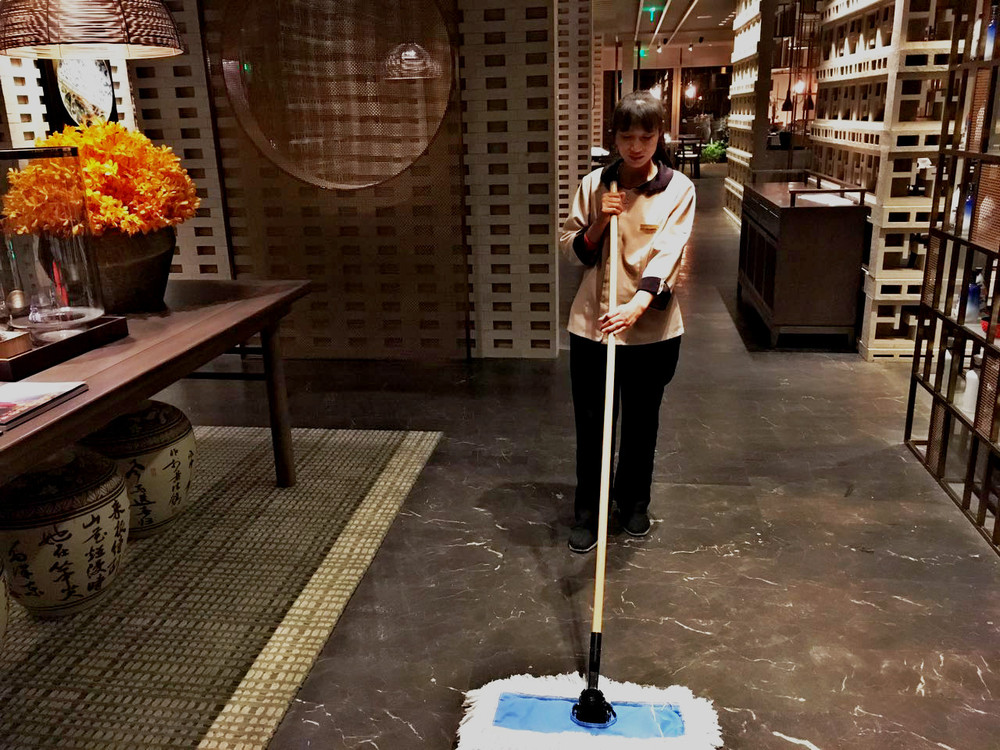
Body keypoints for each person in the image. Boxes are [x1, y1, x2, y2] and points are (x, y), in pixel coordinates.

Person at [558, 90, 696, 553]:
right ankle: (589, 511)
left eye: (646, 137)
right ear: (614, 137)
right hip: (594, 325)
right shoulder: (594, 184)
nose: (636, 147)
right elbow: (571, 249)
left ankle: (634, 503)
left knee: (641, 422)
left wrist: (637, 304)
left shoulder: (678, 188)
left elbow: (670, 250)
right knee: (592, 425)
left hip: (651, 329)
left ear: (659, 137)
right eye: (626, 136)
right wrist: (600, 220)